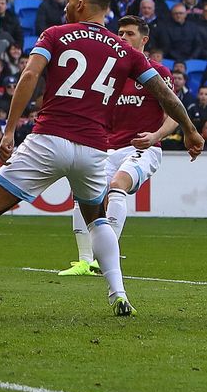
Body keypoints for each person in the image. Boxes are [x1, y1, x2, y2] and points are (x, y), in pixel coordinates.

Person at [0, 0, 204, 317]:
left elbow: (28, 76)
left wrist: (9, 130)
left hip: (49, 140)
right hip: (93, 150)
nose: (66, 6)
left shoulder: (55, 34)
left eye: (69, 1)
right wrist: (189, 130)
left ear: (81, 4)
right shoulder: (125, 51)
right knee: (97, 218)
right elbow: (165, 92)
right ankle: (118, 294)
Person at [59, 15, 178, 276]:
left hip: (143, 148)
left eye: (129, 34)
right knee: (83, 194)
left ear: (144, 39)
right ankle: (84, 261)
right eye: (120, 33)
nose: (122, 37)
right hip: (107, 148)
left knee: (117, 186)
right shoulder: (110, 73)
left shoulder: (158, 73)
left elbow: (174, 118)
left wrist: (155, 135)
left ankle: (105, 257)